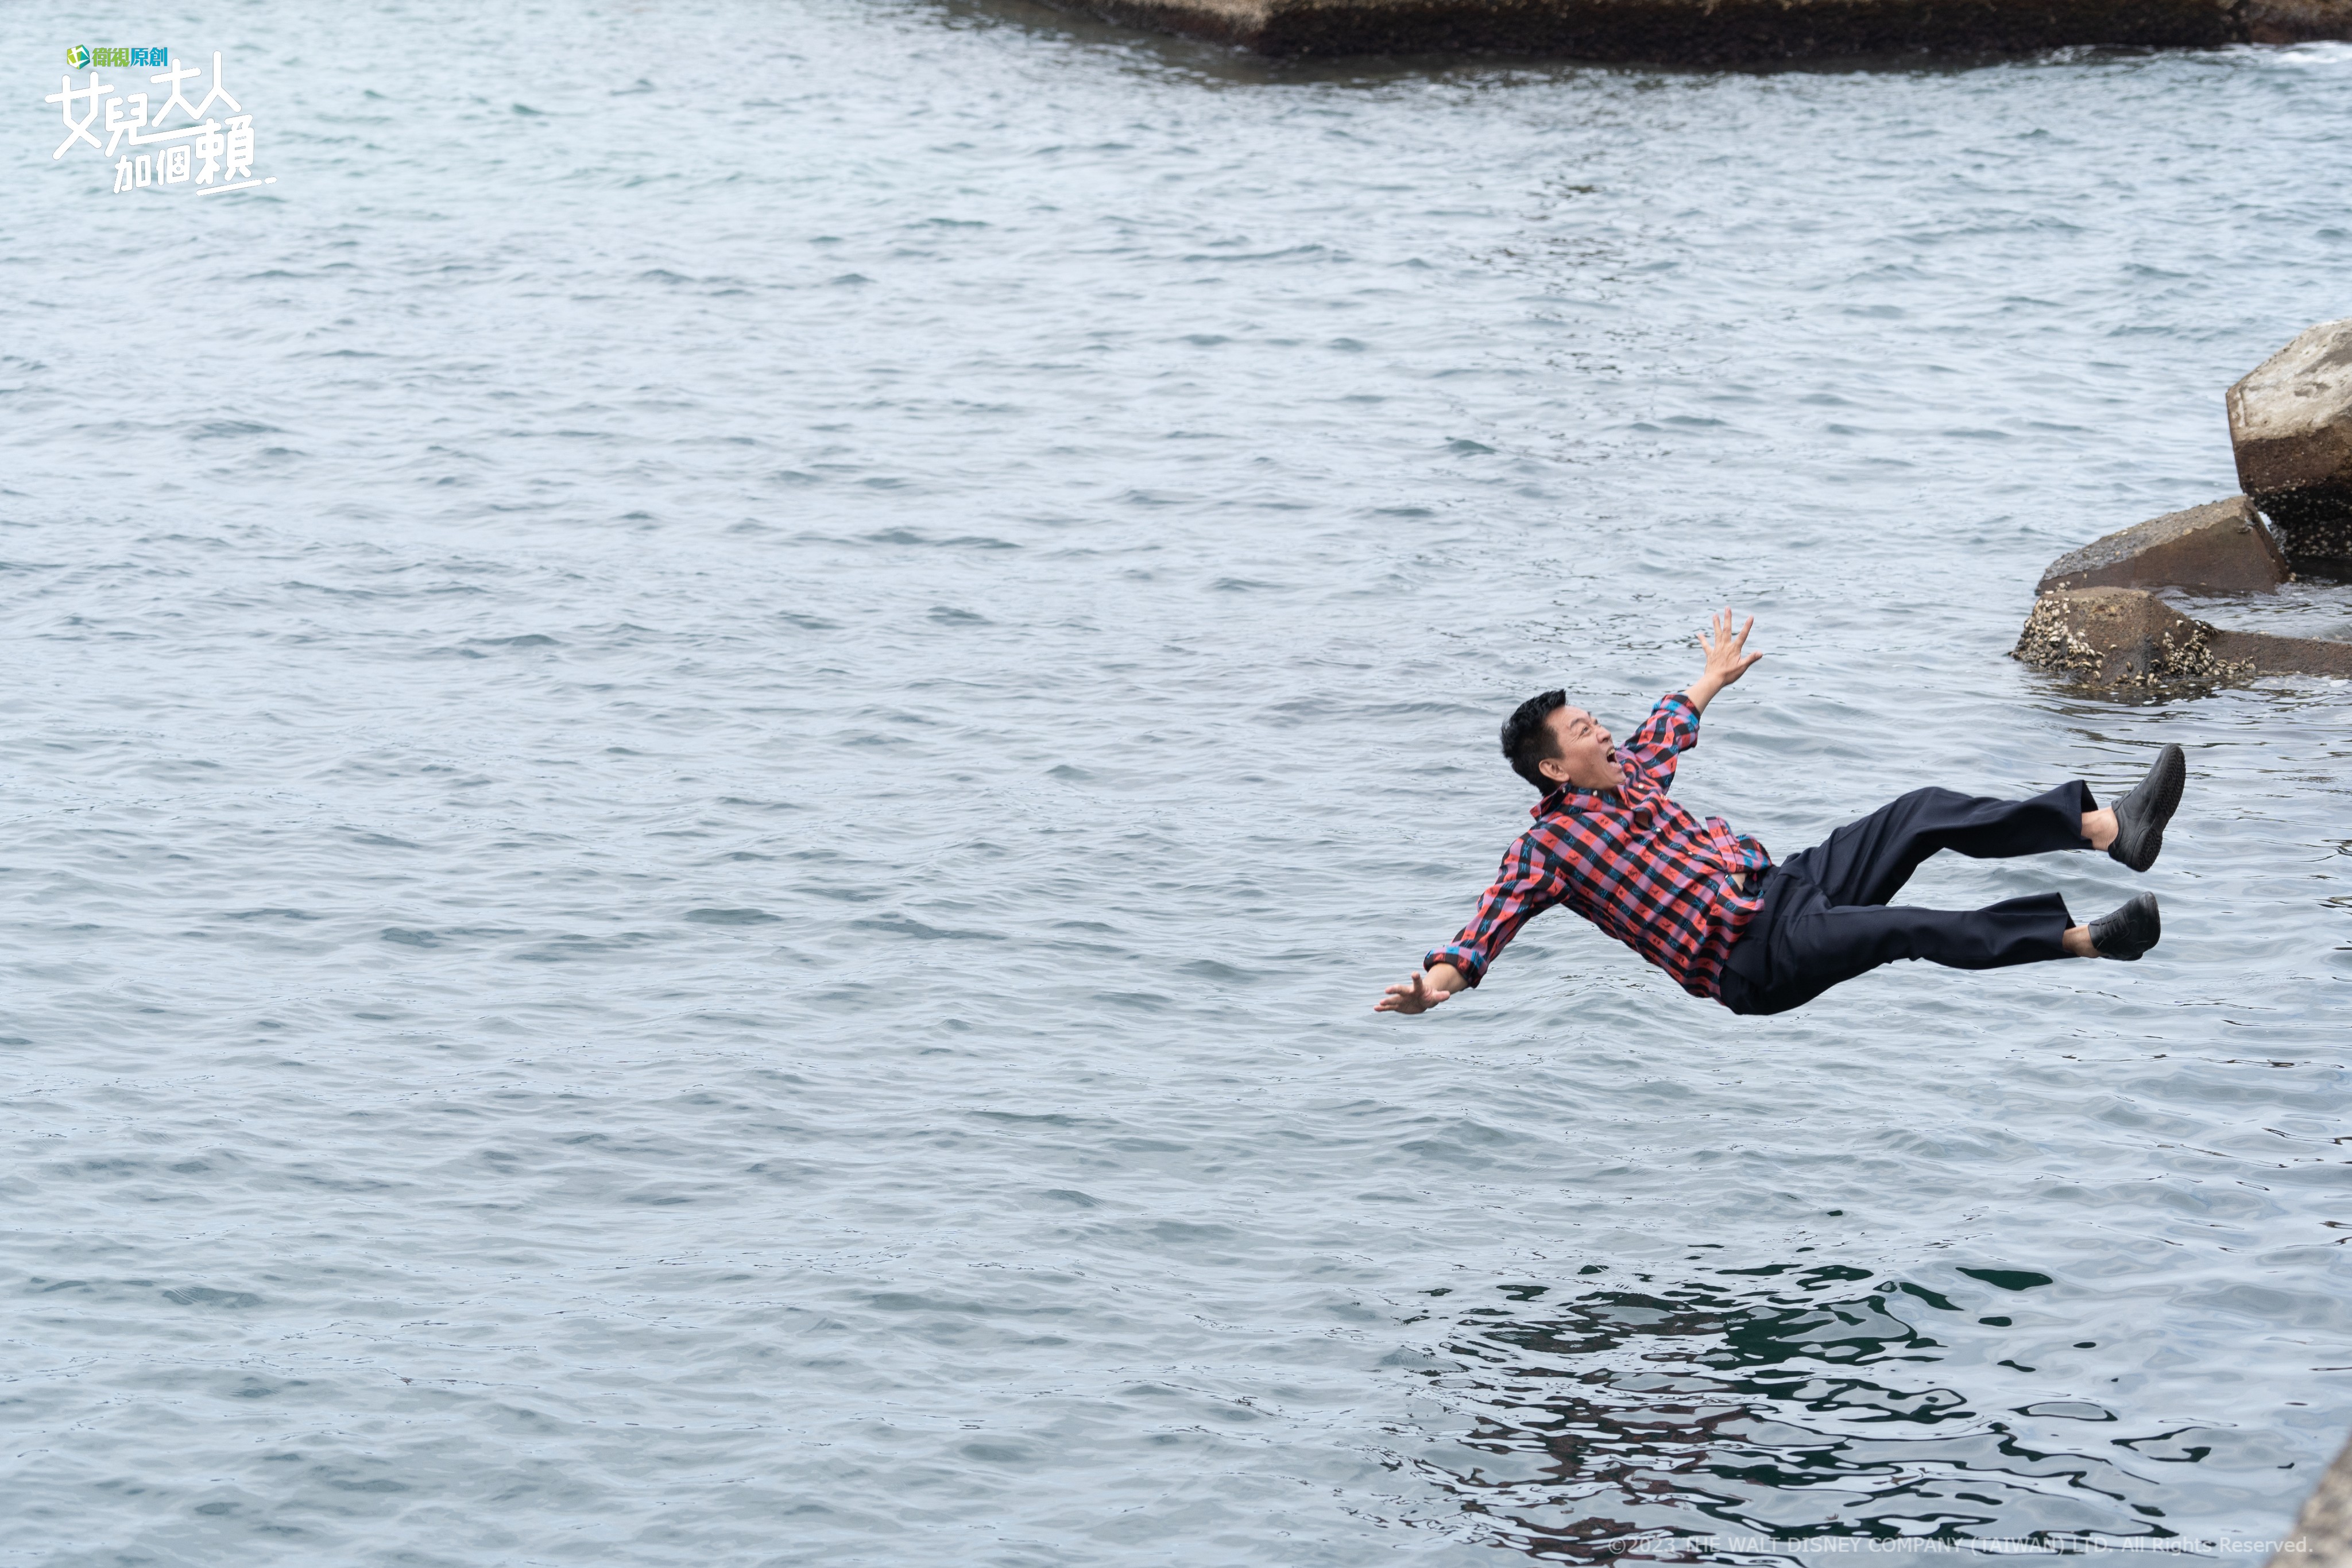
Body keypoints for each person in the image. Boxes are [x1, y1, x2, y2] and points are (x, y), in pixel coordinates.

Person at [1375, 610, 2184, 1019]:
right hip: (1753, 960)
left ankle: (2109, 831)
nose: (1605, 732)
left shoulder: (1631, 773)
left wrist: (1714, 676)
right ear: (1553, 767)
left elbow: (1669, 723)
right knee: (1903, 928)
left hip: (1786, 885)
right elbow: (1483, 932)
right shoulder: (1548, 850)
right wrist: (1435, 990)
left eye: (1595, 719)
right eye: (1585, 731)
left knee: (1921, 813)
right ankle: (2087, 942)